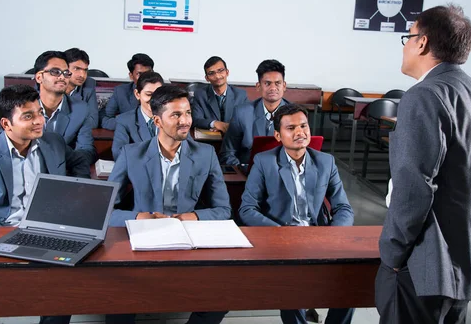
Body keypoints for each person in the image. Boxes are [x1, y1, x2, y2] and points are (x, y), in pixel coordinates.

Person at [376, 4, 471, 324]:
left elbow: (413, 189)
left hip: (426, 263)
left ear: (421, 42)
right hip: (467, 259)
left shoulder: (424, 95)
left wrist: (392, 255)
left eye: (408, 37)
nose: (405, 46)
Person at [0, 84, 89, 324]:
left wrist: (76, 189)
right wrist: (1, 233)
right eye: (28, 116)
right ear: (6, 124)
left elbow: (79, 161)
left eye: (39, 113)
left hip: (47, 230)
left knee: (62, 289)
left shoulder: (53, 142)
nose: (39, 121)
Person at [107, 85, 230, 324]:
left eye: (187, 113)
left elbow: (224, 210)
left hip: (188, 238)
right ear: (157, 121)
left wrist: (191, 217)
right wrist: (139, 217)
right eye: (176, 115)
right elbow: (105, 210)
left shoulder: (206, 154)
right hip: (143, 238)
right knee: (117, 301)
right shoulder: (131, 154)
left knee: (221, 297)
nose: (185, 121)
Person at [239, 103, 354, 324]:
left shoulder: (325, 162)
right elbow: (247, 208)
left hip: (319, 238)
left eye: (303, 126)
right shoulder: (265, 162)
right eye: (291, 128)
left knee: (350, 286)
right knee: (293, 286)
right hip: (281, 238)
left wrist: (333, 236)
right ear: (278, 135)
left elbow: (343, 208)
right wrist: (281, 233)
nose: (300, 132)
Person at [219, 59, 289, 165]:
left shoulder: (295, 114)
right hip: (248, 174)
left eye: (277, 83)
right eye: (267, 83)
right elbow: (227, 153)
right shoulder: (242, 113)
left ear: (284, 86)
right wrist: (243, 170)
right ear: (258, 86)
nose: (273, 88)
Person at [34, 51, 96, 164]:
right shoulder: (21, 106)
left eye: (66, 73)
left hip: (64, 169)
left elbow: (86, 150)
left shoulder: (80, 109)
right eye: (55, 72)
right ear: (39, 77)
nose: (62, 77)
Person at [111, 71, 164, 160]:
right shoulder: (124, 120)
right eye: (149, 94)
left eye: (158, 95)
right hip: (140, 171)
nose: (154, 99)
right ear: (137, 94)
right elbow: (118, 153)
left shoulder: (173, 118)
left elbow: (188, 149)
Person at [191, 56, 248, 133]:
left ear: (227, 72)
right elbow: (196, 120)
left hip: (233, 139)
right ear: (207, 78)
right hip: (209, 140)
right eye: (211, 73)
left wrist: (226, 127)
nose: (217, 76)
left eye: (220, 71)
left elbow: (247, 120)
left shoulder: (240, 95)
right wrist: (215, 124)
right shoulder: (200, 95)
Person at [101, 53, 154, 129]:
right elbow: (106, 120)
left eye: (148, 73)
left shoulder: (163, 93)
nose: (145, 78)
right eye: (139, 74)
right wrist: (130, 125)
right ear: (131, 76)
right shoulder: (120, 91)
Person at [64, 47, 99, 129]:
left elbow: (93, 122)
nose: (82, 75)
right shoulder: (49, 84)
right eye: (77, 69)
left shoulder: (89, 85)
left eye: (85, 70)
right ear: (64, 68)